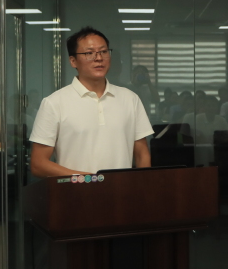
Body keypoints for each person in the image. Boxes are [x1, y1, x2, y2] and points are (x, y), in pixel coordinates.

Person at [29, 26, 153, 177]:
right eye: (89, 53)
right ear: (73, 61)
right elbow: (38, 164)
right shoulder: (54, 103)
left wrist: (141, 187)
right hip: (76, 190)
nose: (99, 58)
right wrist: (90, 180)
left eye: (104, 51)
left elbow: (142, 154)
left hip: (122, 190)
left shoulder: (130, 99)